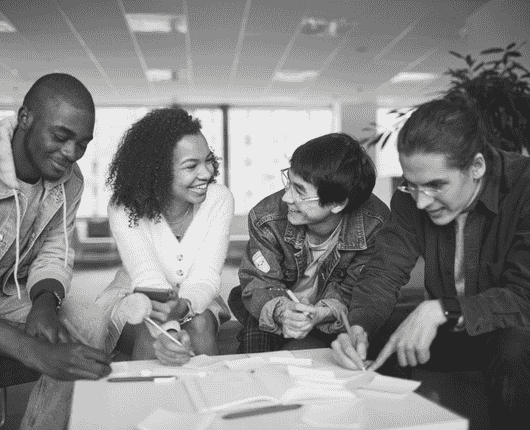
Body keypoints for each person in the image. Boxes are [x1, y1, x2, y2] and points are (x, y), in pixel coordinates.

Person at [331, 96, 530, 429]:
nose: (422, 201)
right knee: (374, 335)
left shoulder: (525, 189)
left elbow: (525, 296)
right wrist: (360, 326)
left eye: (437, 185)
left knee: (512, 346)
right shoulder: (410, 200)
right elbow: (383, 271)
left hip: (513, 330)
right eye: (412, 184)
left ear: (476, 167)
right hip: (456, 330)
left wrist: (444, 309)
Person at [0, 73, 112, 429]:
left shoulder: (71, 181)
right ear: (25, 118)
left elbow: (55, 247)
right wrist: (32, 350)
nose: (71, 153)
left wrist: (45, 304)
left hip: (9, 291)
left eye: (82, 143)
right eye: (61, 137)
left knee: (91, 323)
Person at [228, 133, 390, 353]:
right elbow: (260, 281)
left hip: (335, 310)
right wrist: (282, 311)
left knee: (368, 348)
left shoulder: (374, 223)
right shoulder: (266, 217)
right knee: (256, 344)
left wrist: (322, 313)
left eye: (300, 191)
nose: (286, 198)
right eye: (289, 183)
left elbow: (360, 291)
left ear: (337, 203)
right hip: (277, 299)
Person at [96, 106, 233, 365]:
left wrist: (185, 306)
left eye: (208, 160)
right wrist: (169, 329)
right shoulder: (124, 206)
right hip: (136, 294)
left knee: (201, 325)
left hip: (195, 294)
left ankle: (211, 401)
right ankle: (149, 404)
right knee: (152, 335)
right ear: (157, 171)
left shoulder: (218, 199)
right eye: (191, 166)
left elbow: (205, 275)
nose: (207, 173)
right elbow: (148, 277)